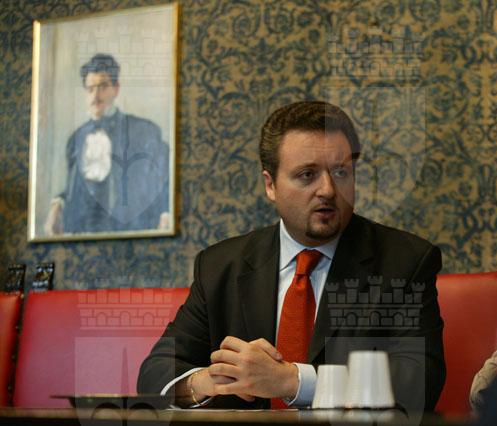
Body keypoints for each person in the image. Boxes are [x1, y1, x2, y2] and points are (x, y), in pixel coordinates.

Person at [137, 101, 445, 415]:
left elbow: (419, 381)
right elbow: (155, 372)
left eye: (341, 172)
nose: (328, 190)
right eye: (307, 175)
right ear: (270, 185)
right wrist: (204, 382)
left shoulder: (404, 263)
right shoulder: (220, 267)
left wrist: (293, 381)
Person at [44, 53, 170, 235]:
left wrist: (166, 213)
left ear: (116, 89)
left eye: (103, 87)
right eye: (90, 89)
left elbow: (163, 178)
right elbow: (74, 188)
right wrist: (57, 204)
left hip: (128, 232)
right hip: (83, 234)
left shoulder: (143, 131)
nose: (95, 96)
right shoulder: (75, 139)